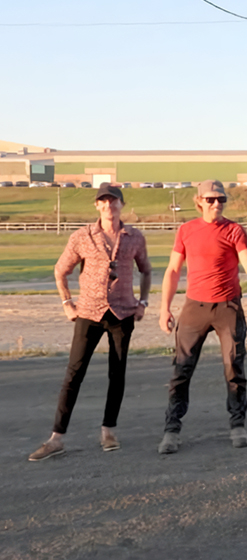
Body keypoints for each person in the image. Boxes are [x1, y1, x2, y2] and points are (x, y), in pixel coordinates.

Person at [29, 183, 151, 461]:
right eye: (104, 201)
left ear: (122, 204)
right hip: (88, 313)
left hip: (122, 314)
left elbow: (146, 270)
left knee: (116, 374)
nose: (109, 205)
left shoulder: (134, 237)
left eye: (114, 200)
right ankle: (56, 437)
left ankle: (109, 430)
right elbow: (61, 271)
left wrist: (143, 303)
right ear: (97, 205)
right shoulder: (83, 236)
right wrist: (66, 303)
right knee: (74, 373)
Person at [157, 180, 247, 454]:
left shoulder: (234, 230)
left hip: (228, 308)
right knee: (181, 369)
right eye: (211, 199)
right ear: (199, 200)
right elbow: (173, 271)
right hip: (194, 308)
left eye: (221, 200)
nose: (217, 204)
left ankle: (238, 425)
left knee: (234, 368)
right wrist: (165, 307)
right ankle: (172, 430)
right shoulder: (186, 230)